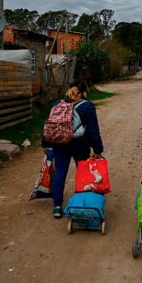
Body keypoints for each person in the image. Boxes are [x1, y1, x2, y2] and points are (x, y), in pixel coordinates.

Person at [42, 82, 104, 218]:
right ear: (83, 93)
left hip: (59, 144)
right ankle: (81, 204)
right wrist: (98, 149)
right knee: (83, 174)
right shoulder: (88, 106)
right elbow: (93, 130)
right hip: (80, 145)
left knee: (60, 173)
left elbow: (50, 124)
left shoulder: (57, 104)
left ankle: (57, 207)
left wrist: (45, 144)